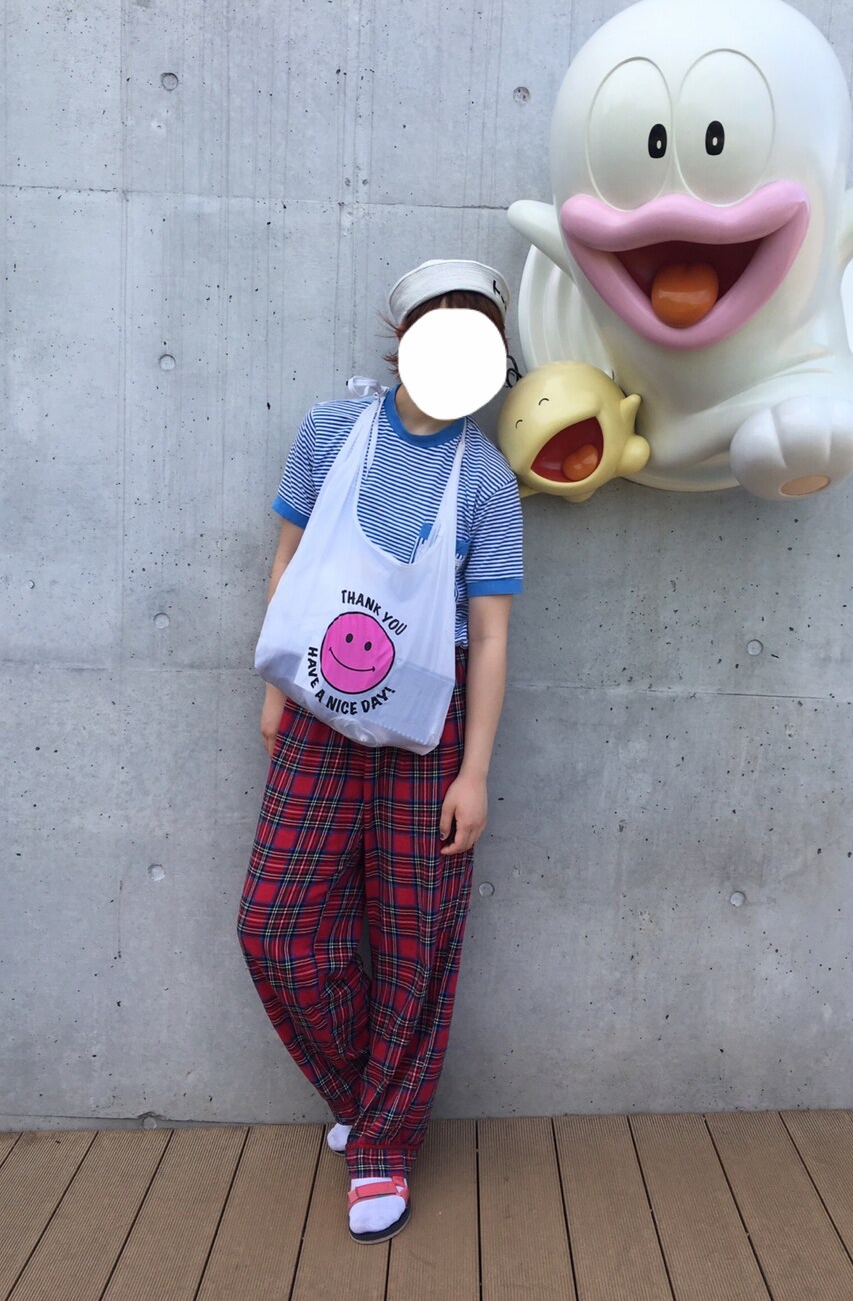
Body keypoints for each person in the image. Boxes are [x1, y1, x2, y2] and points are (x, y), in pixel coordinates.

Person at [237, 259, 522, 1244]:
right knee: (274, 924)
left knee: (414, 940)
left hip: (431, 728)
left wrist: (474, 771)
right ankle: (368, 1096)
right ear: (401, 341)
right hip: (316, 707)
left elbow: (491, 634)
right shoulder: (329, 431)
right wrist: (274, 688)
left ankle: (382, 1146)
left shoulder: (486, 480)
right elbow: (287, 559)